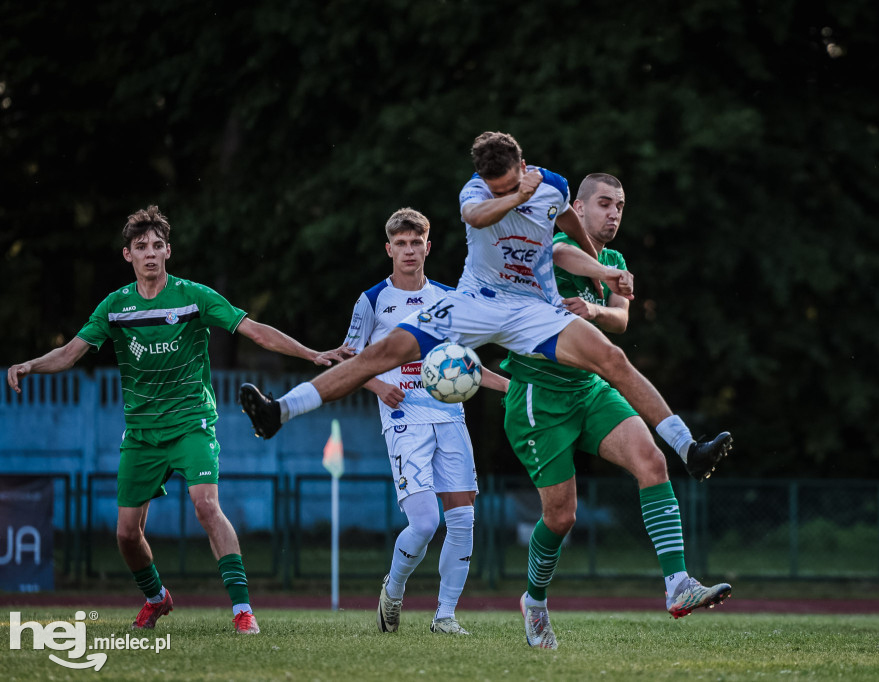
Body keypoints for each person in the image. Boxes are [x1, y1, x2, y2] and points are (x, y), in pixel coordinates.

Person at [238, 132, 731, 541]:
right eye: (493, 186)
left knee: (611, 358)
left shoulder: (554, 185)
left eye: (508, 183)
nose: (497, 191)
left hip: (532, 310)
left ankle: (689, 449)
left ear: (522, 163)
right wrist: (515, 194)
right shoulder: (476, 193)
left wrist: (601, 270)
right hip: (474, 303)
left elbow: (567, 220)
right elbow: (478, 217)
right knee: (382, 353)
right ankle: (278, 412)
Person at [6, 206, 339, 635]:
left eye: (157, 246)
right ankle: (156, 598)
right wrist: (30, 364)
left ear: (168, 252)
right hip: (141, 435)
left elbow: (254, 330)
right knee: (127, 535)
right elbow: (70, 353)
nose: (150, 254)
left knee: (205, 505)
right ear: (128, 255)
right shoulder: (115, 306)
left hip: (191, 423)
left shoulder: (193, 297)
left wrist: (312, 355)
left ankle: (242, 610)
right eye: (141, 247)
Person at [502, 173, 731, 650]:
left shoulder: (616, 259)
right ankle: (535, 600)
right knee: (562, 518)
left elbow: (622, 318)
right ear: (578, 209)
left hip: (587, 389)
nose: (613, 213)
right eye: (604, 203)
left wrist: (594, 308)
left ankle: (678, 584)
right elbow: (564, 255)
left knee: (651, 462)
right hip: (537, 398)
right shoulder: (557, 239)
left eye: (620, 206)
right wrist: (602, 278)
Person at [328, 208, 508, 636]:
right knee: (425, 523)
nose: (409, 250)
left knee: (463, 520)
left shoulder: (449, 299)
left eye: (416, 243)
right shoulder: (372, 300)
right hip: (403, 417)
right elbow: (346, 360)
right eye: (401, 244)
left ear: (429, 246)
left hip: (450, 417)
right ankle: (394, 589)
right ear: (389, 249)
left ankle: (444, 616)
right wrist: (377, 385)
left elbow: (467, 366)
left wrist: (513, 388)